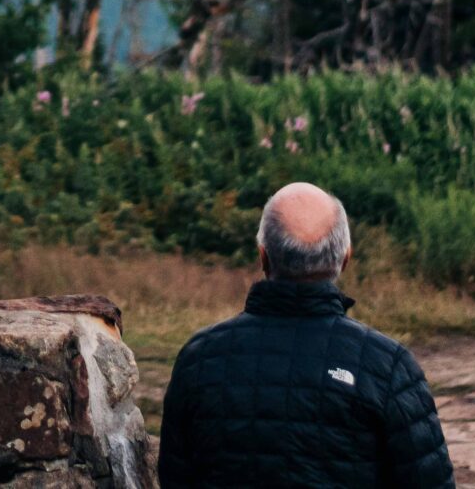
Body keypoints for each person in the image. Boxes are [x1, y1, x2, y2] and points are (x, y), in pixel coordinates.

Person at [158, 183, 455, 488]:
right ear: (345, 258)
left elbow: (174, 478)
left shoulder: (199, 359)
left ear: (263, 257)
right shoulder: (389, 366)